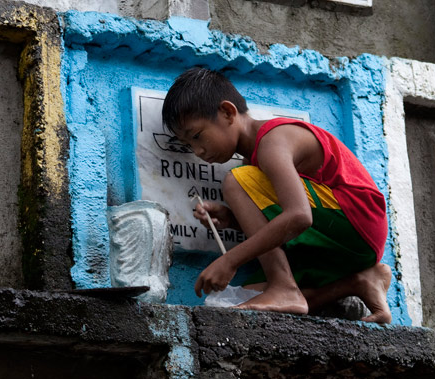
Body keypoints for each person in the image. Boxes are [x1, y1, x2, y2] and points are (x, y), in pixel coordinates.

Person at [161, 67, 392, 323]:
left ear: (227, 112)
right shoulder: (255, 163)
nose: (198, 151)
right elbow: (291, 216)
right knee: (247, 296)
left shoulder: (272, 140)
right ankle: (360, 281)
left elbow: (300, 216)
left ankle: (283, 286)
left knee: (237, 180)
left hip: (358, 221)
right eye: (188, 145)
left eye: (197, 136)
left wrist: (230, 260)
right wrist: (233, 219)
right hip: (340, 246)